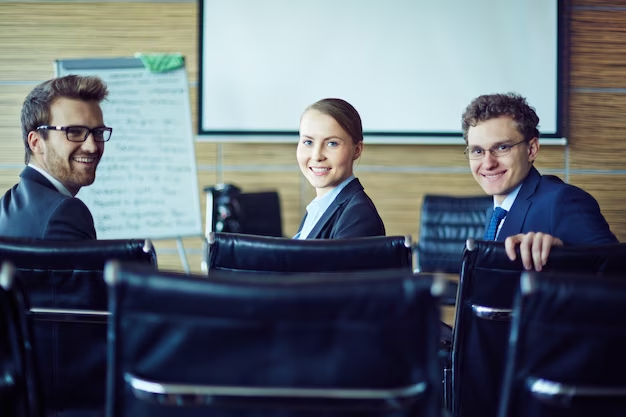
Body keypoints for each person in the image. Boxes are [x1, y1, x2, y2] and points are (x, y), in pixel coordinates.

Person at [462, 92, 617, 271]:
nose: (488, 164)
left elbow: (616, 270)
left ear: (531, 149)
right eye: (477, 151)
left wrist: (565, 256)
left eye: (502, 147)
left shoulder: (562, 201)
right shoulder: (496, 211)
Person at [0, 74, 111, 240]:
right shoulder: (65, 212)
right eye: (74, 132)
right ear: (36, 142)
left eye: (98, 132)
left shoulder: (7, 205)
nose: (92, 146)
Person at [294, 98, 385, 239]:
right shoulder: (319, 207)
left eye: (332, 143)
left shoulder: (359, 218)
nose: (317, 155)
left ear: (357, 150)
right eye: (308, 142)